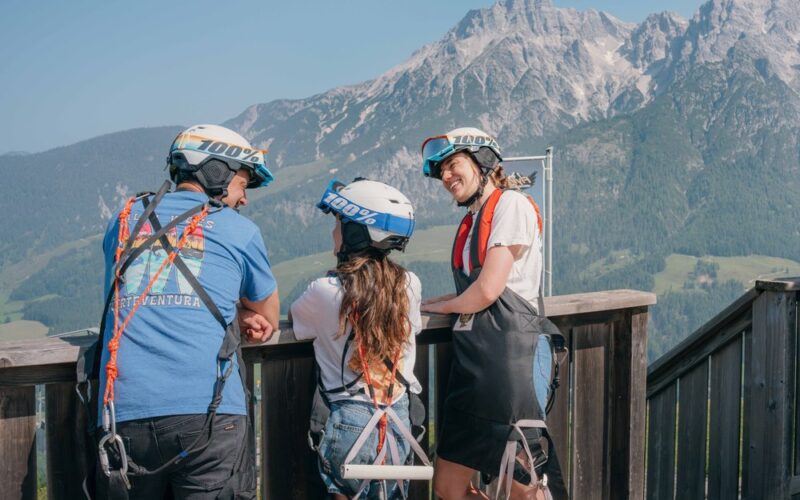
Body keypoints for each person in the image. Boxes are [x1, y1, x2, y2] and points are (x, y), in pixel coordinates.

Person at [91, 124, 280, 499]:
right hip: (209, 416)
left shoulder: (124, 219)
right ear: (216, 172)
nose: (244, 199)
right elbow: (268, 318)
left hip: (123, 416)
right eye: (243, 183)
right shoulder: (239, 230)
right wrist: (239, 311)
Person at [419, 127, 567, 500]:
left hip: (511, 360)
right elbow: (470, 289)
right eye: (442, 173)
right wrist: (428, 305)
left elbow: (486, 290)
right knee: (448, 487)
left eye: (453, 165)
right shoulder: (472, 220)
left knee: (523, 487)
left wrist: (440, 307)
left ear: (483, 161)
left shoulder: (511, 206)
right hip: (476, 363)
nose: (446, 177)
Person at [291, 178, 424, 499]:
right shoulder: (410, 284)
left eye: (339, 223)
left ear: (355, 232)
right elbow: (414, 329)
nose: (333, 232)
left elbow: (299, 326)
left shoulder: (324, 291)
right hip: (398, 419)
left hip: (348, 418)